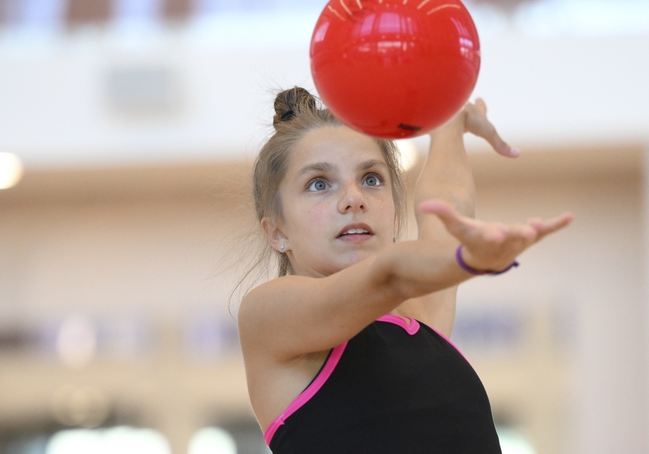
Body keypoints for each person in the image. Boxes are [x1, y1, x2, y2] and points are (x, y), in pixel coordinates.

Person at [238, 86, 573, 453]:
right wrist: (470, 258)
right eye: (319, 184)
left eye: (371, 179)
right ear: (276, 231)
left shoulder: (421, 317)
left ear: (393, 213)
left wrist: (450, 123)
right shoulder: (268, 317)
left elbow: (446, 201)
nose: (354, 198)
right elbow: (389, 275)